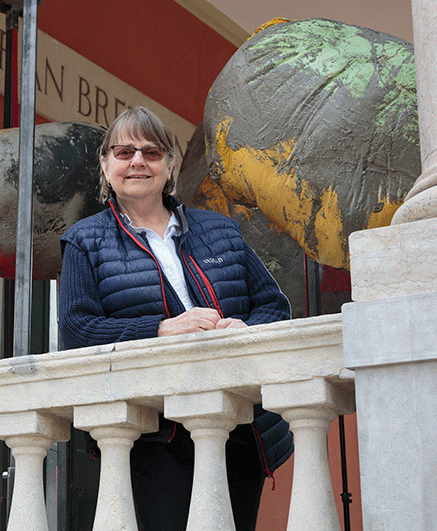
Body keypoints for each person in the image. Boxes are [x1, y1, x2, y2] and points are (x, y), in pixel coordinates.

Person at [58, 106, 293, 531]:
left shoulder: (220, 230)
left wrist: (246, 329)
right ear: (106, 165)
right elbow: (78, 331)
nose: (137, 162)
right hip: (153, 432)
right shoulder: (84, 240)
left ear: (169, 167)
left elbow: (274, 306)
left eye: (151, 152)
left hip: (237, 423)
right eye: (124, 151)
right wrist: (161, 329)